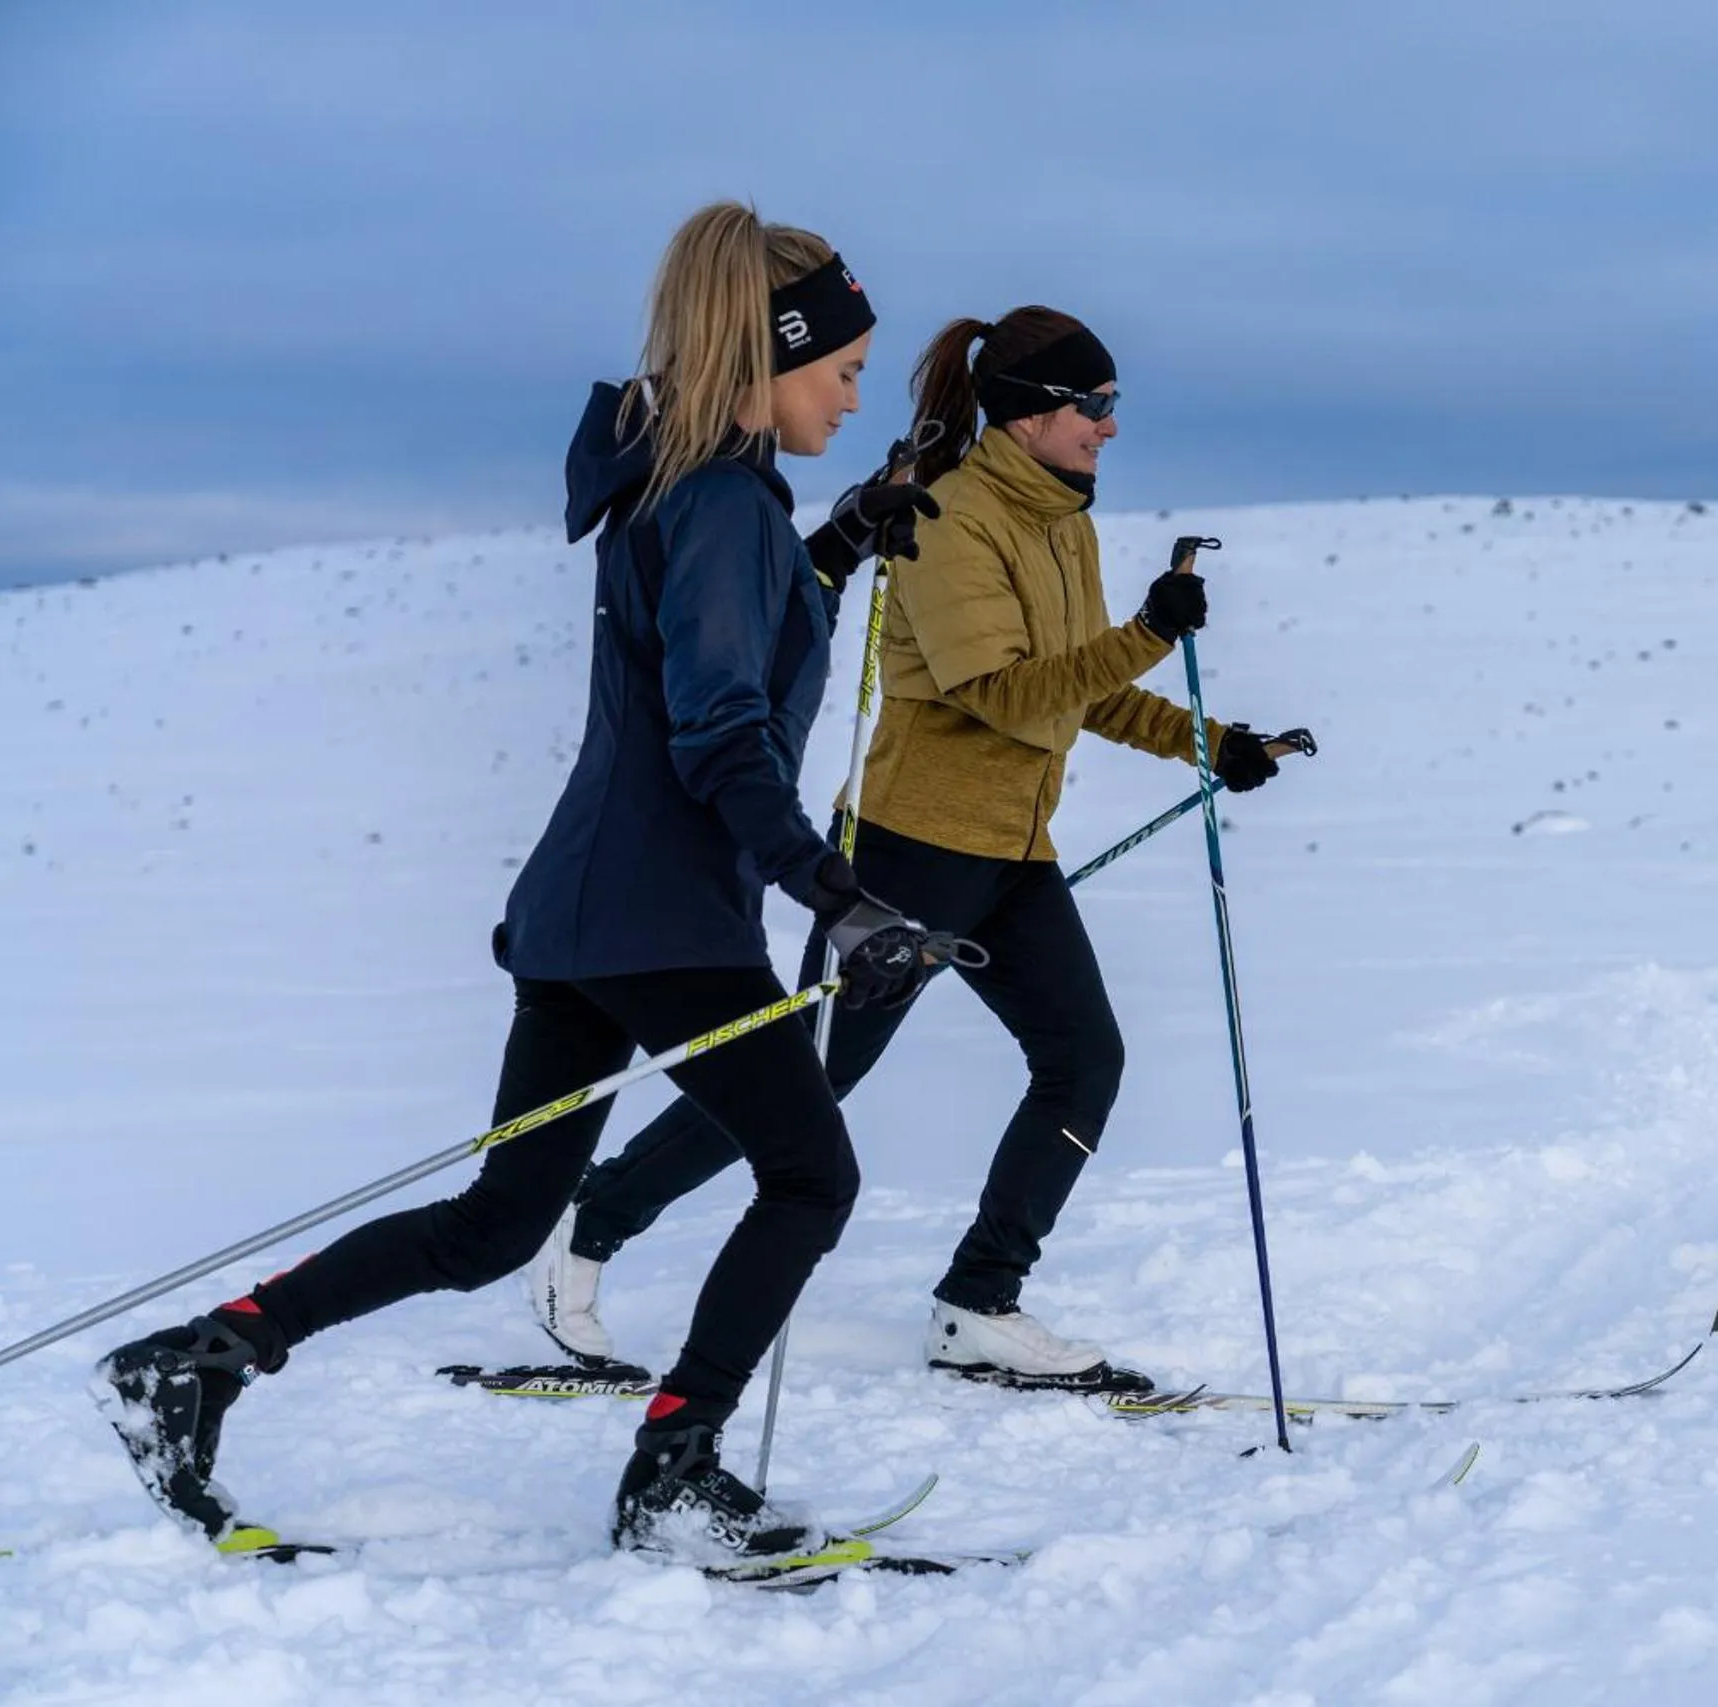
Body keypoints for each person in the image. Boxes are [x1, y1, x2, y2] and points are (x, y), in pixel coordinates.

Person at [95, 202, 945, 1566]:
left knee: (499, 1221)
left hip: (584, 913)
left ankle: (201, 1356)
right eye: (842, 369)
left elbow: (726, 643)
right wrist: (836, 894)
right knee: (809, 1173)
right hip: (665, 918)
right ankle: (674, 1466)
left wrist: (839, 543)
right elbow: (724, 727)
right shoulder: (722, 501)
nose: (855, 395)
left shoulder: (686, 485)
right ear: (770, 357)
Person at [535, 305, 1310, 1393]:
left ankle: (979, 1302)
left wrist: (1211, 743)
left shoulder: (1063, 521)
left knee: (1084, 1060)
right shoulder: (953, 516)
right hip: (906, 850)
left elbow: (1079, 688)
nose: (1109, 426)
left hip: (1010, 849)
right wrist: (1147, 632)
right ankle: (590, 1224)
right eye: (1093, 405)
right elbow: (998, 694)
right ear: (1033, 413)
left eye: (1114, 405)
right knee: (805, 1085)